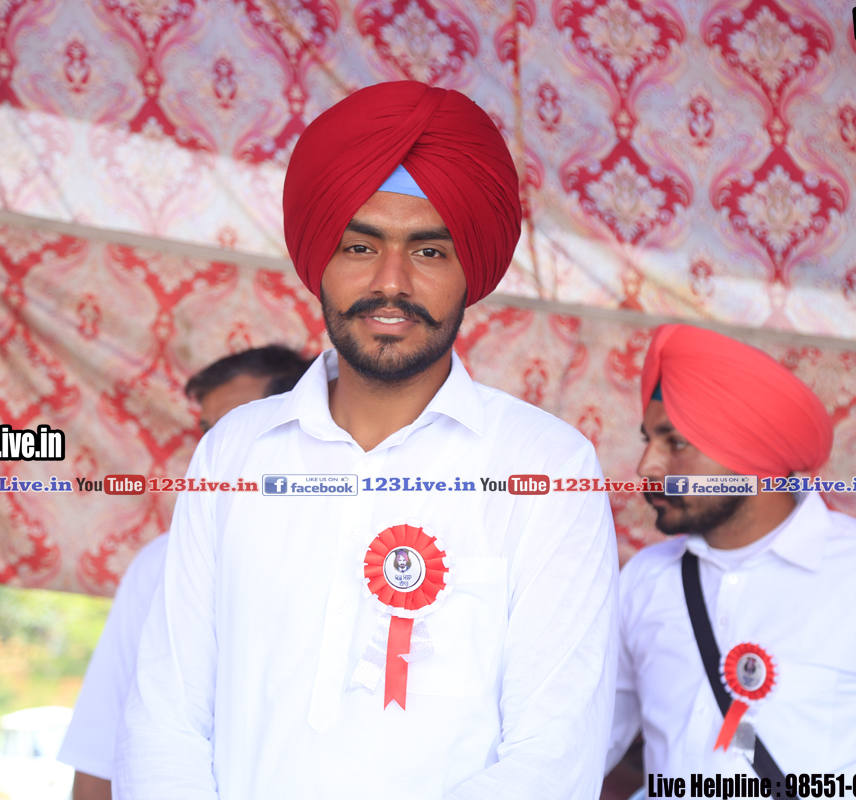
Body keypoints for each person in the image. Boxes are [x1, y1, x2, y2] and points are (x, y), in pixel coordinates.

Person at [114, 80, 618, 800]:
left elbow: (553, 758)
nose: (391, 283)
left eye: (429, 251)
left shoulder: (547, 466)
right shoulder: (236, 450)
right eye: (360, 245)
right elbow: (166, 720)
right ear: (319, 259)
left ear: (469, 271)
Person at [606, 324, 856, 780]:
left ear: (751, 454)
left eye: (676, 442)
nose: (647, 466)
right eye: (648, 440)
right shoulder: (644, 581)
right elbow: (586, 743)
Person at [57, 345, 312, 800]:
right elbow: (102, 749)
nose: (218, 445)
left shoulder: (373, 550)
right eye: (209, 431)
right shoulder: (161, 563)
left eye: (237, 424)